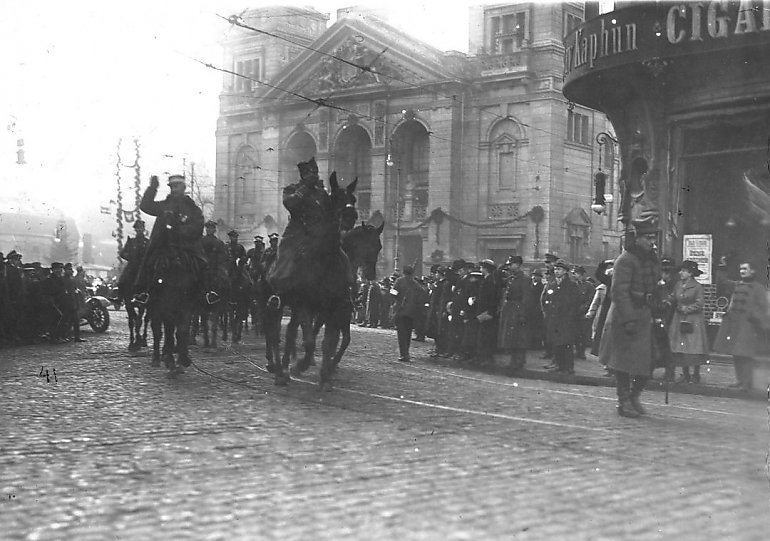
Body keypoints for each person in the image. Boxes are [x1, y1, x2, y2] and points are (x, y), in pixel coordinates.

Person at [599, 218, 660, 418]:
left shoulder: (651, 258)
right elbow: (618, 293)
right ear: (638, 238)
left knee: (648, 363)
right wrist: (629, 319)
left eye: (653, 237)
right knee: (623, 364)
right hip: (625, 318)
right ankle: (623, 401)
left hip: (646, 316)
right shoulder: (625, 260)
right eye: (648, 238)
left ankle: (634, 397)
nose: (652, 242)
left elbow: (656, 286)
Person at [132, 174, 206, 305]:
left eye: (177, 186)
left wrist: (180, 230)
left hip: (186, 246)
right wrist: (152, 188)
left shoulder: (192, 208)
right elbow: (145, 206)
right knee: (148, 262)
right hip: (163, 245)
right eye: (172, 187)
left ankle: (205, 293)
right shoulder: (164, 205)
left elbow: (198, 225)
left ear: (184, 187)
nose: (174, 190)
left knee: (202, 264)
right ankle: (143, 292)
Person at [713, 260, 770, 391]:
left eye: (745, 269)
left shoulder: (758, 288)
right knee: (736, 353)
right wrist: (722, 267)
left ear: (752, 271)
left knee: (746, 354)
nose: (742, 271)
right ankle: (740, 380)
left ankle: (747, 382)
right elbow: (723, 282)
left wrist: (756, 319)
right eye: (740, 269)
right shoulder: (737, 285)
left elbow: (763, 307)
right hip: (735, 325)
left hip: (749, 326)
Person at [666, 260, 708, 384]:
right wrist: (666, 300)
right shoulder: (678, 285)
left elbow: (700, 303)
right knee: (681, 347)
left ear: (690, 273)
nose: (681, 273)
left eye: (684, 271)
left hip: (693, 320)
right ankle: (685, 374)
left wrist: (687, 309)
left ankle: (695, 374)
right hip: (679, 319)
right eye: (681, 270)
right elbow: (673, 297)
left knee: (694, 347)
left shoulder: (698, 287)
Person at [542, 259, 580, 374]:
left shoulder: (571, 285)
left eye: (559, 269)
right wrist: (548, 313)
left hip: (566, 319)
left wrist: (570, 316)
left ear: (565, 271)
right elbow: (546, 300)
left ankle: (568, 367)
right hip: (554, 318)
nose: (556, 271)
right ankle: (558, 364)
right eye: (555, 269)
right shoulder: (552, 284)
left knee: (567, 343)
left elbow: (575, 302)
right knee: (556, 342)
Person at [498, 256, 531, 374]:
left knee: (519, 337)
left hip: (518, 310)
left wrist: (522, 314)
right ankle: (514, 361)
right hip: (510, 310)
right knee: (511, 337)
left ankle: (519, 361)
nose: (509, 266)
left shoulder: (525, 279)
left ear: (518, 265)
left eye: (511, 264)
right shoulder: (511, 278)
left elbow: (526, 298)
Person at [391, 265, 425, 362]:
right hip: (411, 312)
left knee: (401, 334)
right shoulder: (415, 283)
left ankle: (404, 354)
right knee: (408, 333)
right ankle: (406, 353)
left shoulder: (399, 281)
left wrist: (398, 299)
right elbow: (421, 294)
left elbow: (393, 293)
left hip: (401, 311)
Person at [474, 259, 499, 367]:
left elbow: (493, 299)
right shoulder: (486, 280)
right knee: (482, 336)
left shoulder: (490, 281)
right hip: (483, 311)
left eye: (481, 267)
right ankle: (482, 357)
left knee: (487, 337)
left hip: (487, 313)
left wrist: (489, 312)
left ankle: (488, 358)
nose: (480, 269)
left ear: (485, 269)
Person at [118, 219, 148, 304]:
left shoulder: (147, 242)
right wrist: (129, 257)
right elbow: (122, 253)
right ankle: (119, 297)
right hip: (132, 266)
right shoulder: (131, 241)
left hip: (143, 267)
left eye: (140, 228)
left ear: (143, 229)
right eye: (137, 228)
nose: (139, 230)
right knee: (122, 281)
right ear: (135, 230)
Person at [572, 265, 595, 359]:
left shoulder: (589, 286)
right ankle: (577, 350)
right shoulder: (572, 285)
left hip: (583, 314)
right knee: (575, 333)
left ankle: (581, 352)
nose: (573, 275)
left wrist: (583, 309)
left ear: (581, 274)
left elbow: (591, 300)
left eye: (575, 273)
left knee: (584, 334)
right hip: (574, 313)